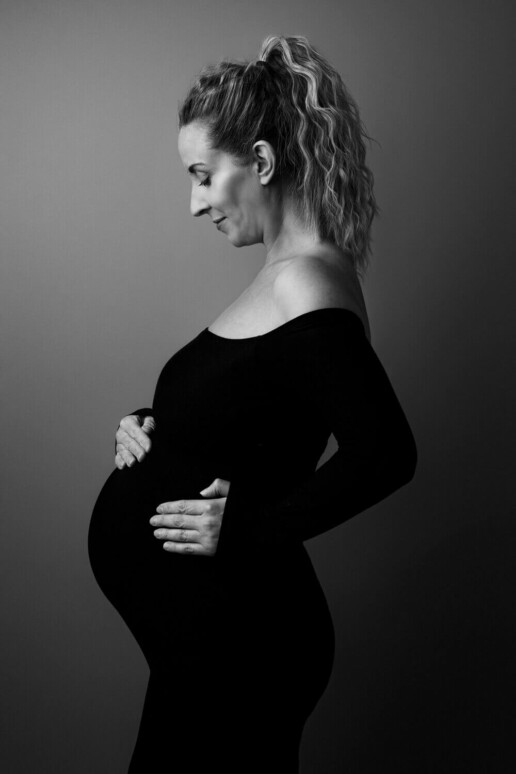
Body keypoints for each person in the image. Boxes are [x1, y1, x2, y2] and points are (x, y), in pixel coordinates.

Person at [88, 34, 418, 773]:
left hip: (242, 645)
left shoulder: (306, 284)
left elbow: (386, 453)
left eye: (205, 175)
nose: (196, 202)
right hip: (214, 644)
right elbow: (256, 418)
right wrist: (151, 430)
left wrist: (249, 528)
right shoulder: (288, 278)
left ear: (261, 163)